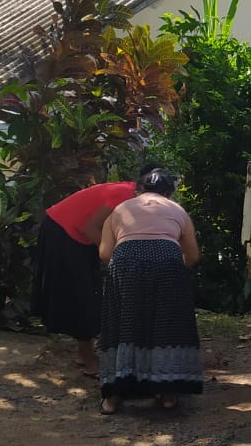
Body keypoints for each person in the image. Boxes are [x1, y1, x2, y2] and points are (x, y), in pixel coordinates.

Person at [97, 167, 202, 415]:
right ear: (169, 192)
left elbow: (104, 254)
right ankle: (167, 394)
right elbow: (193, 255)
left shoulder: (120, 210)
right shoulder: (177, 210)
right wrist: (172, 268)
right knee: (166, 324)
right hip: (167, 260)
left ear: (139, 190)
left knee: (123, 324)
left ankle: (112, 398)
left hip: (126, 261)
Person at [31, 178, 137, 376]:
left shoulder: (134, 196)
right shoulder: (123, 196)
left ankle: (84, 352)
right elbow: (90, 228)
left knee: (91, 290)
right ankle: (89, 360)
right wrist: (115, 257)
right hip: (62, 231)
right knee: (82, 294)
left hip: (78, 236)